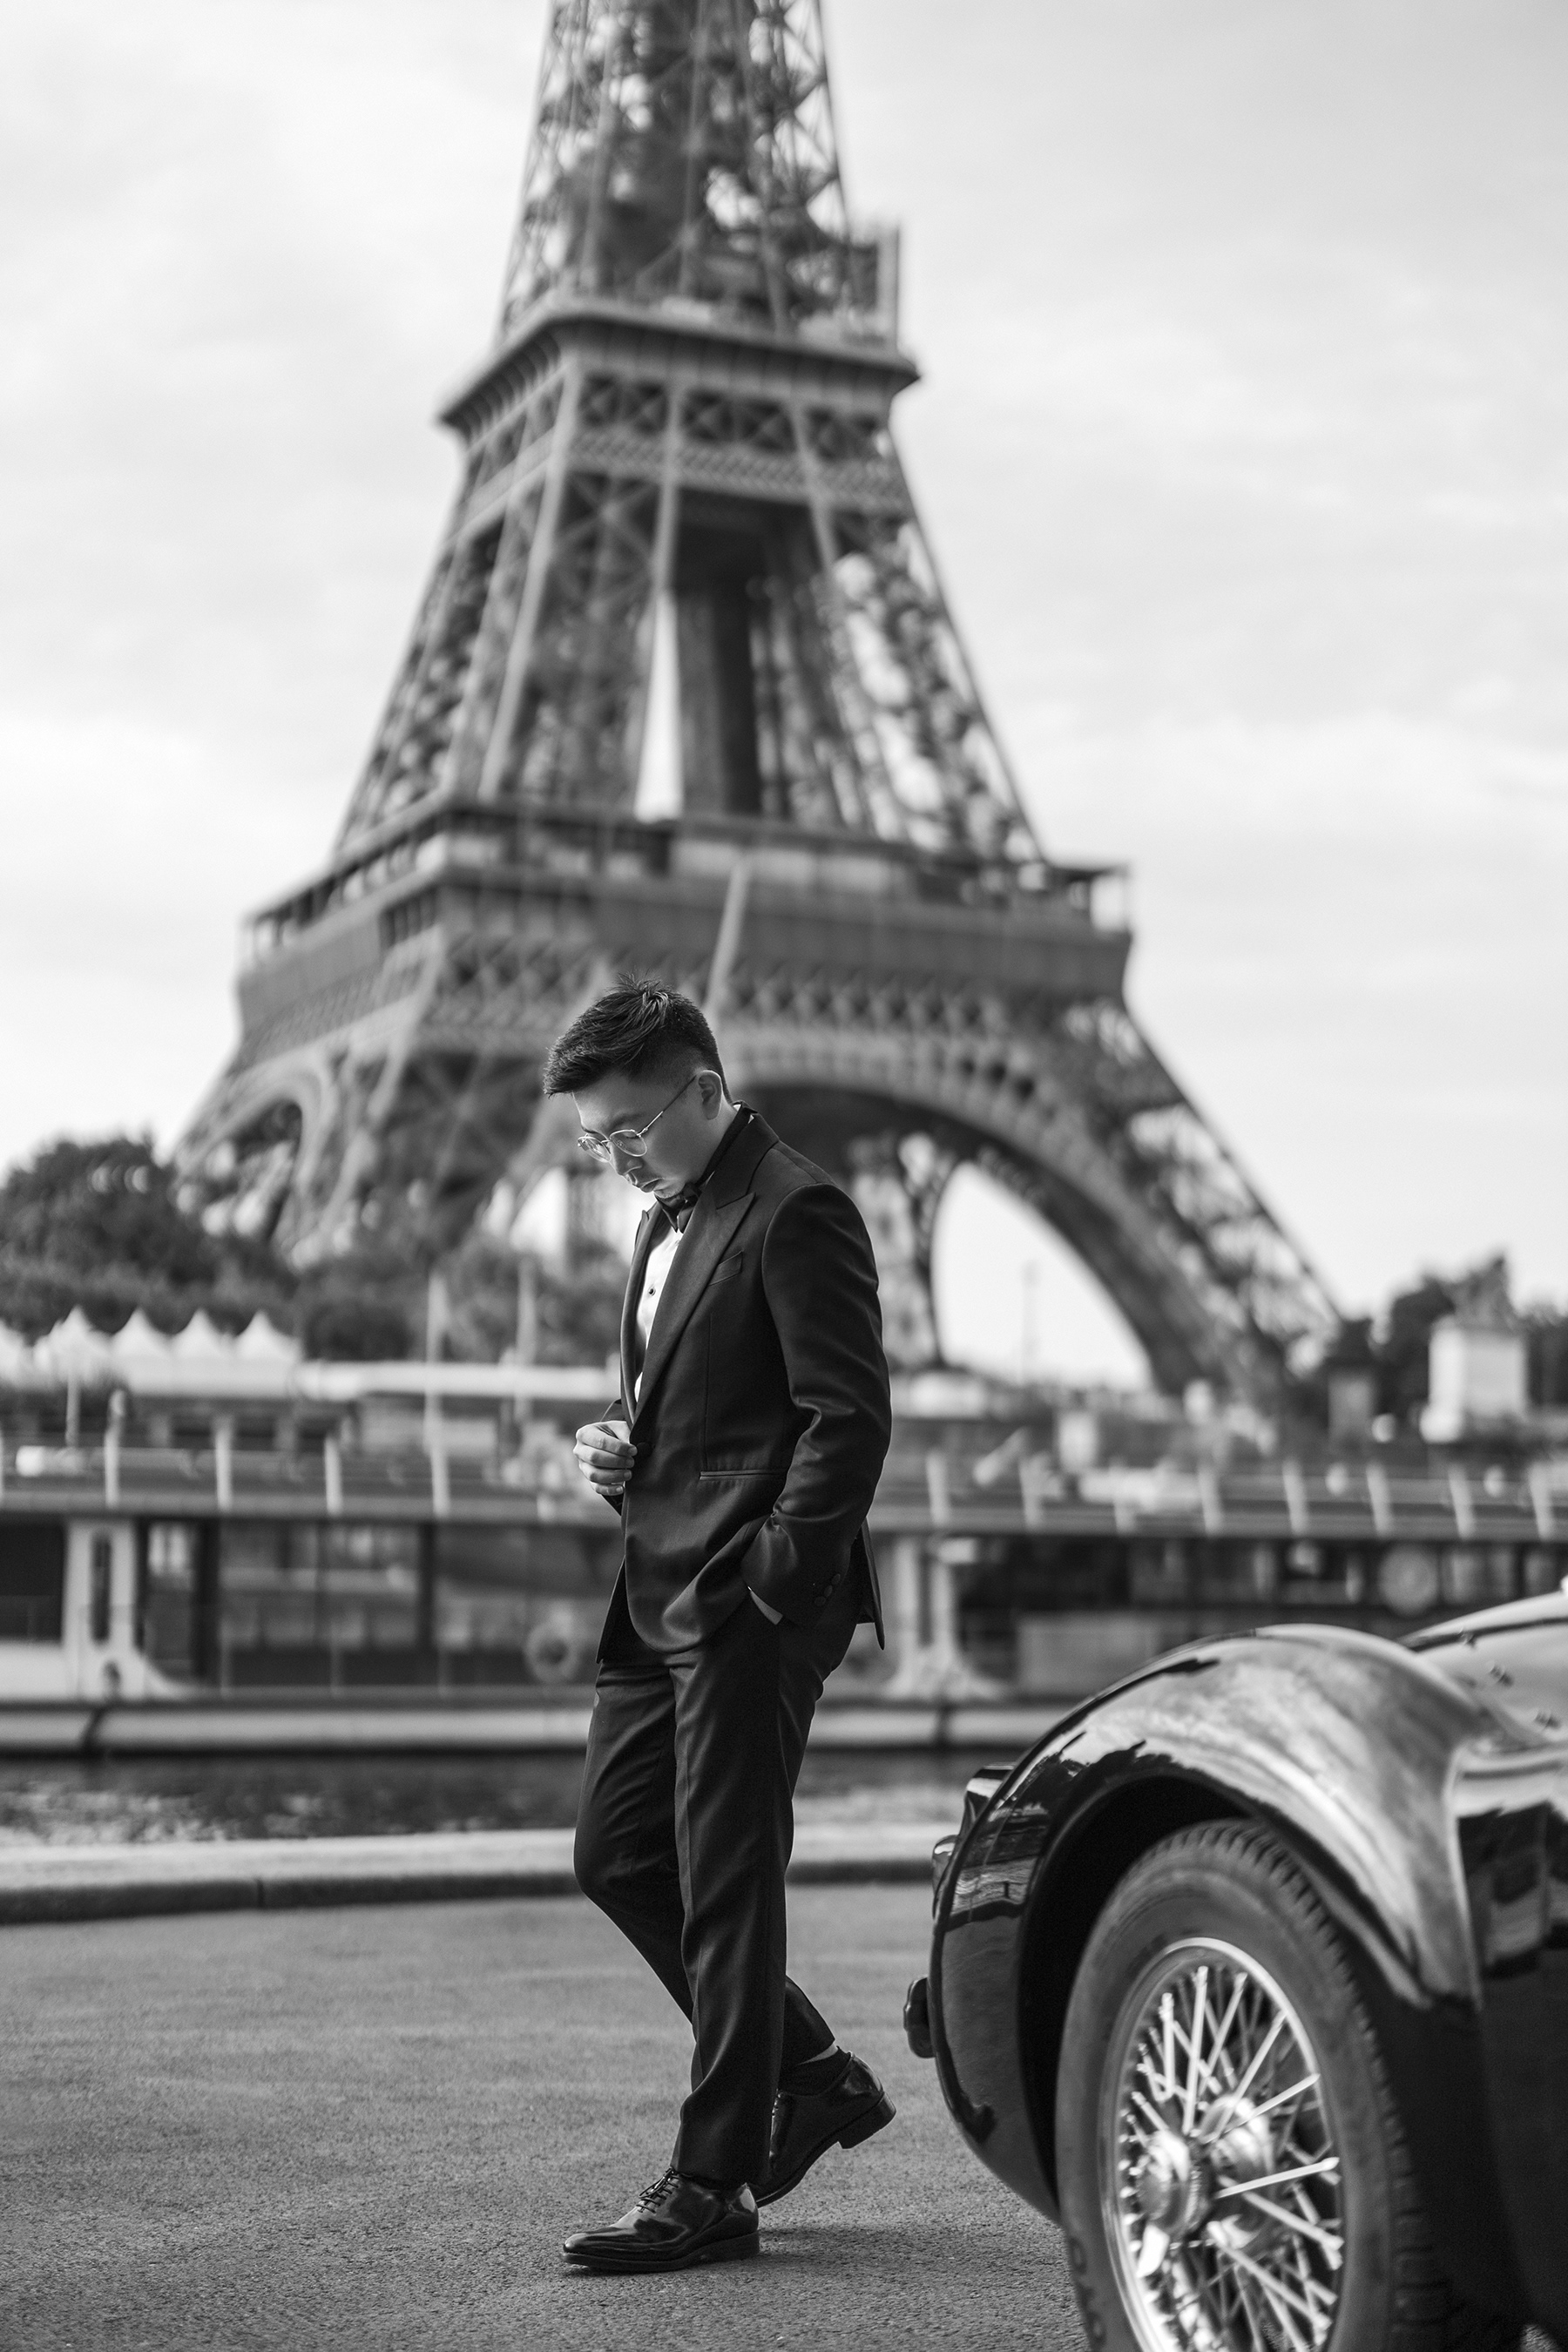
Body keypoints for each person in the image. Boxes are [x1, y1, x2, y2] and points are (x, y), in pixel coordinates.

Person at [544, 978, 895, 2274]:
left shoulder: (799, 1209)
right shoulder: (664, 1213)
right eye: (595, 1142)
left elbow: (847, 1419)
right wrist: (620, 1446)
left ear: (703, 1089)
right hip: (657, 1589)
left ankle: (713, 2182)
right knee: (616, 1855)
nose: (616, 1160)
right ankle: (813, 2074)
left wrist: (767, 1582)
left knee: (727, 1880)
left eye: (630, 1131)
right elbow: (696, 1403)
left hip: (745, 1603)